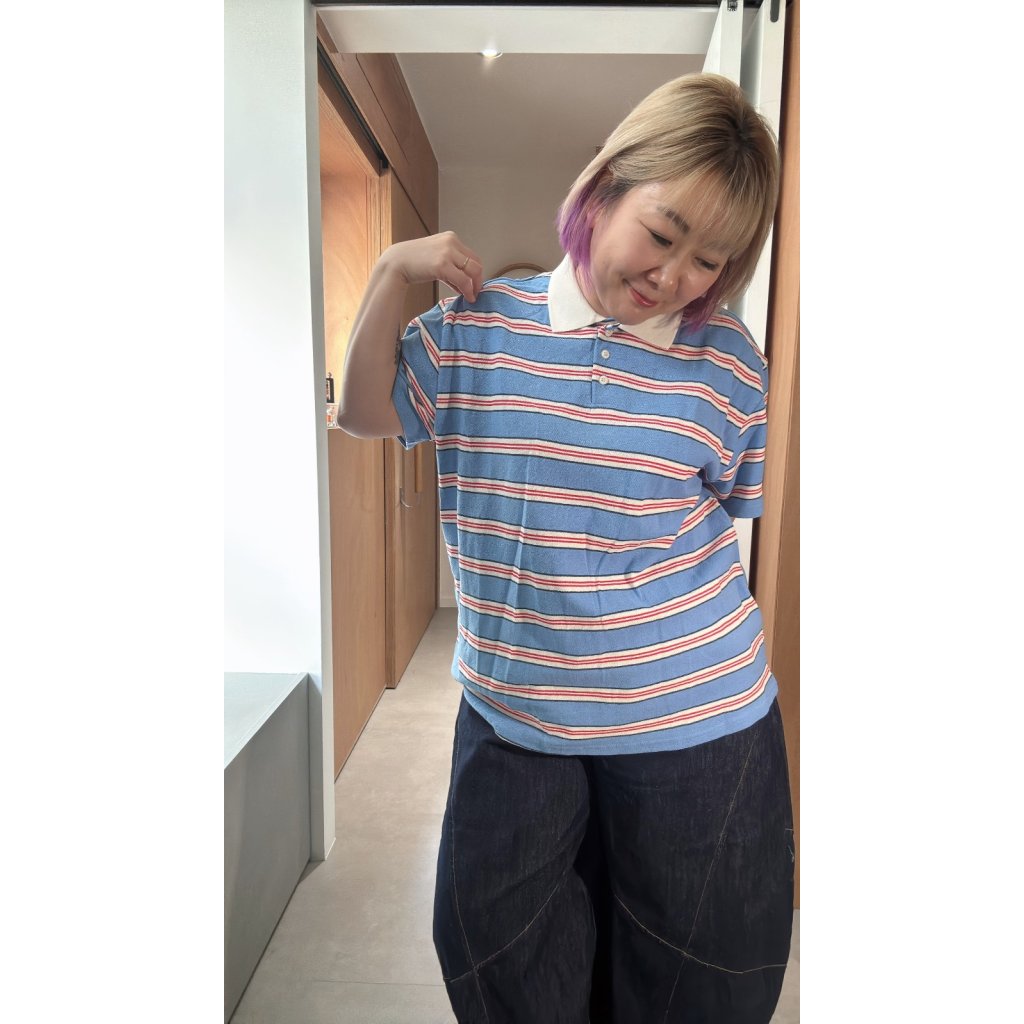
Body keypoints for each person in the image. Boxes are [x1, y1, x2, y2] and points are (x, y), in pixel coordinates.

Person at [338, 72, 794, 1024]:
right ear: (606, 184)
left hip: (699, 717)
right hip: (517, 711)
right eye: (664, 233)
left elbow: (725, 510)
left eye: (710, 260)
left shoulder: (728, 361)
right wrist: (388, 274)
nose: (676, 277)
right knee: (494, 956)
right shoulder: (478, 327)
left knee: (697, 983)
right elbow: (364, 412)